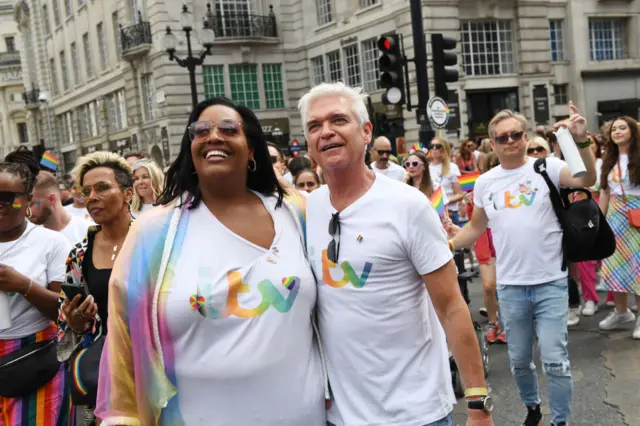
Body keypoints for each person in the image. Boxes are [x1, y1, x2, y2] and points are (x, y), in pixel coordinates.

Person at [94, 97, 326, 426]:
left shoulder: (297, 211)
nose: (213, 137)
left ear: (251, 151)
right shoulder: (153, 232)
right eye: (201, 131)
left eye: (228, 129)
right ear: (191, 150)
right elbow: (123, 341)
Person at [299, 82, 493, 426]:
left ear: (366, 131)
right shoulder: (308, 208)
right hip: (340, 416)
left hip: (414, 414)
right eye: (315, 125)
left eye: (338, 120)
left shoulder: (407, 205)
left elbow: (451, 307)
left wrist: (478, 403)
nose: (326, 131)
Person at [449, 103, 596, 426]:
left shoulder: (548, 167)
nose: (511, 141)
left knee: (556, 361)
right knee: (518, 361)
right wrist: (448, 243)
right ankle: (532, 409)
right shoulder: (486, 182)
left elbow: (589, 176)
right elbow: (475, 226)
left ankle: (560, 421)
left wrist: (580, 139)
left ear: (526, 136)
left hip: (550, 282)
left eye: (516, 134)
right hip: (511, 286)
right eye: (503, 138)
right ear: (493, 143)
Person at [57, 152, 134, 425]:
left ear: (128, 194)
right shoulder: (78, 254)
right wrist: (76, 320)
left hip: (155, 366)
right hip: (103, 373)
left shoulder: (153, 240)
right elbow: (66, 321)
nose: (91, 197)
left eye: (102, 188)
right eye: (86, 191)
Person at [0, 147, 72, 426]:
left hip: (29, 359)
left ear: (28, 198)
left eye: (8, 198)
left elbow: (65, 311)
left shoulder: (51, 243)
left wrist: (22, 285)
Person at [597, 116, 640, 339]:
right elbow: (604, 191)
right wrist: (600, 222)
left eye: (623, 128)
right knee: (615, 264)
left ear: (633, 131)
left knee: (639, 267)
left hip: (638, 216)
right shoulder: (609, 158)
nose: (618, 132)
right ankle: (621, 312)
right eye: (614, 129)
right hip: (615, 216)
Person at [30, 171, 93, 245]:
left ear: (52, 199)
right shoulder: (28, 237)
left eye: (33, 204)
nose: (27, 211)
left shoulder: (88, 231)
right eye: (25, 205)